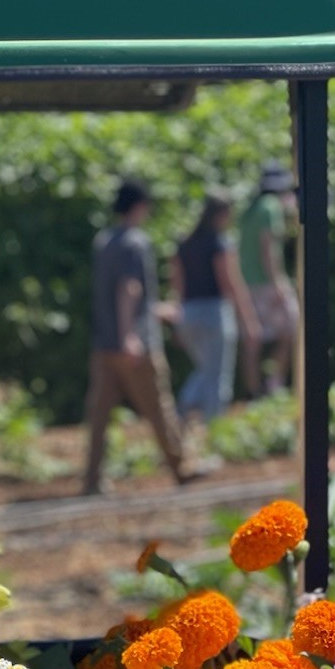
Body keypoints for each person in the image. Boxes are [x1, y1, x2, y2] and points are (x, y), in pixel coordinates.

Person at [83, 178, 195, 495]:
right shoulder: (136, 243)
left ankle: (92, 479)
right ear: (141, 206)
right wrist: (129, 335)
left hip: (104, 344)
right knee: (159, 408)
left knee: (99, 415)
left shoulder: (103, 242)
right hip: (135, 343)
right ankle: (181, 467)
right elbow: (129, 290)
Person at [169, 192, 259, 422]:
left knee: (205, 370)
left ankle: (185, 409)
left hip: (188, 314)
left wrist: (177, 319)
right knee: (217, 375)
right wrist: (248, 320)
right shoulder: (220, 243)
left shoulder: (185, 243)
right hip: (214, 313)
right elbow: (230, 283)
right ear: (222, 214)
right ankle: (212, 425)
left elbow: (177, 284)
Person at [236, 163, 299, 396]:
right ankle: (274, 385)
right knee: (292, 328)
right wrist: (278, 283)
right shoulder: (271, 207)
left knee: (252, 342)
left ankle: (254, 392)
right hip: (265, 283)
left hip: (247, 284)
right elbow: (268, 248)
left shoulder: (250, 209)